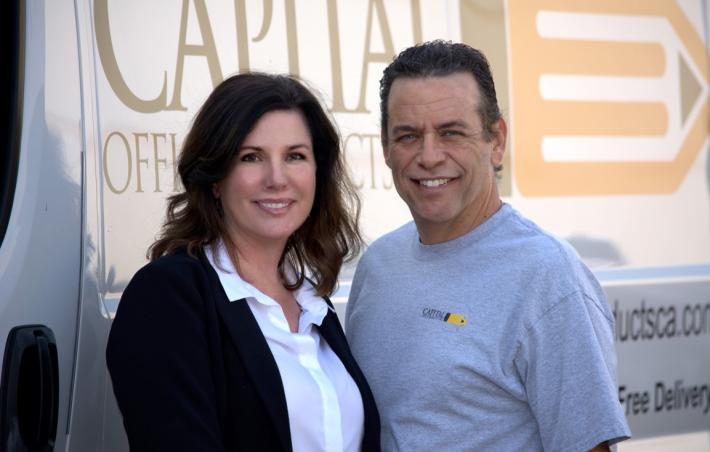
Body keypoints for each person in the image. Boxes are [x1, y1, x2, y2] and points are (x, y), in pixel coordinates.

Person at [344, 41, 630, 451]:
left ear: (496, 139)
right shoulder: (378, 267)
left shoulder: (548, 278)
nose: (428, 156)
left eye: (451, 133)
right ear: (386, 150)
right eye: (408, 136)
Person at [107, 73, 380, 452]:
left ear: (318, 172)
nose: (277, 178)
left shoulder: (311, 301)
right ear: (216, 178)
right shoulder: (168, 296)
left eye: (295, 156)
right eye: (251, 157)